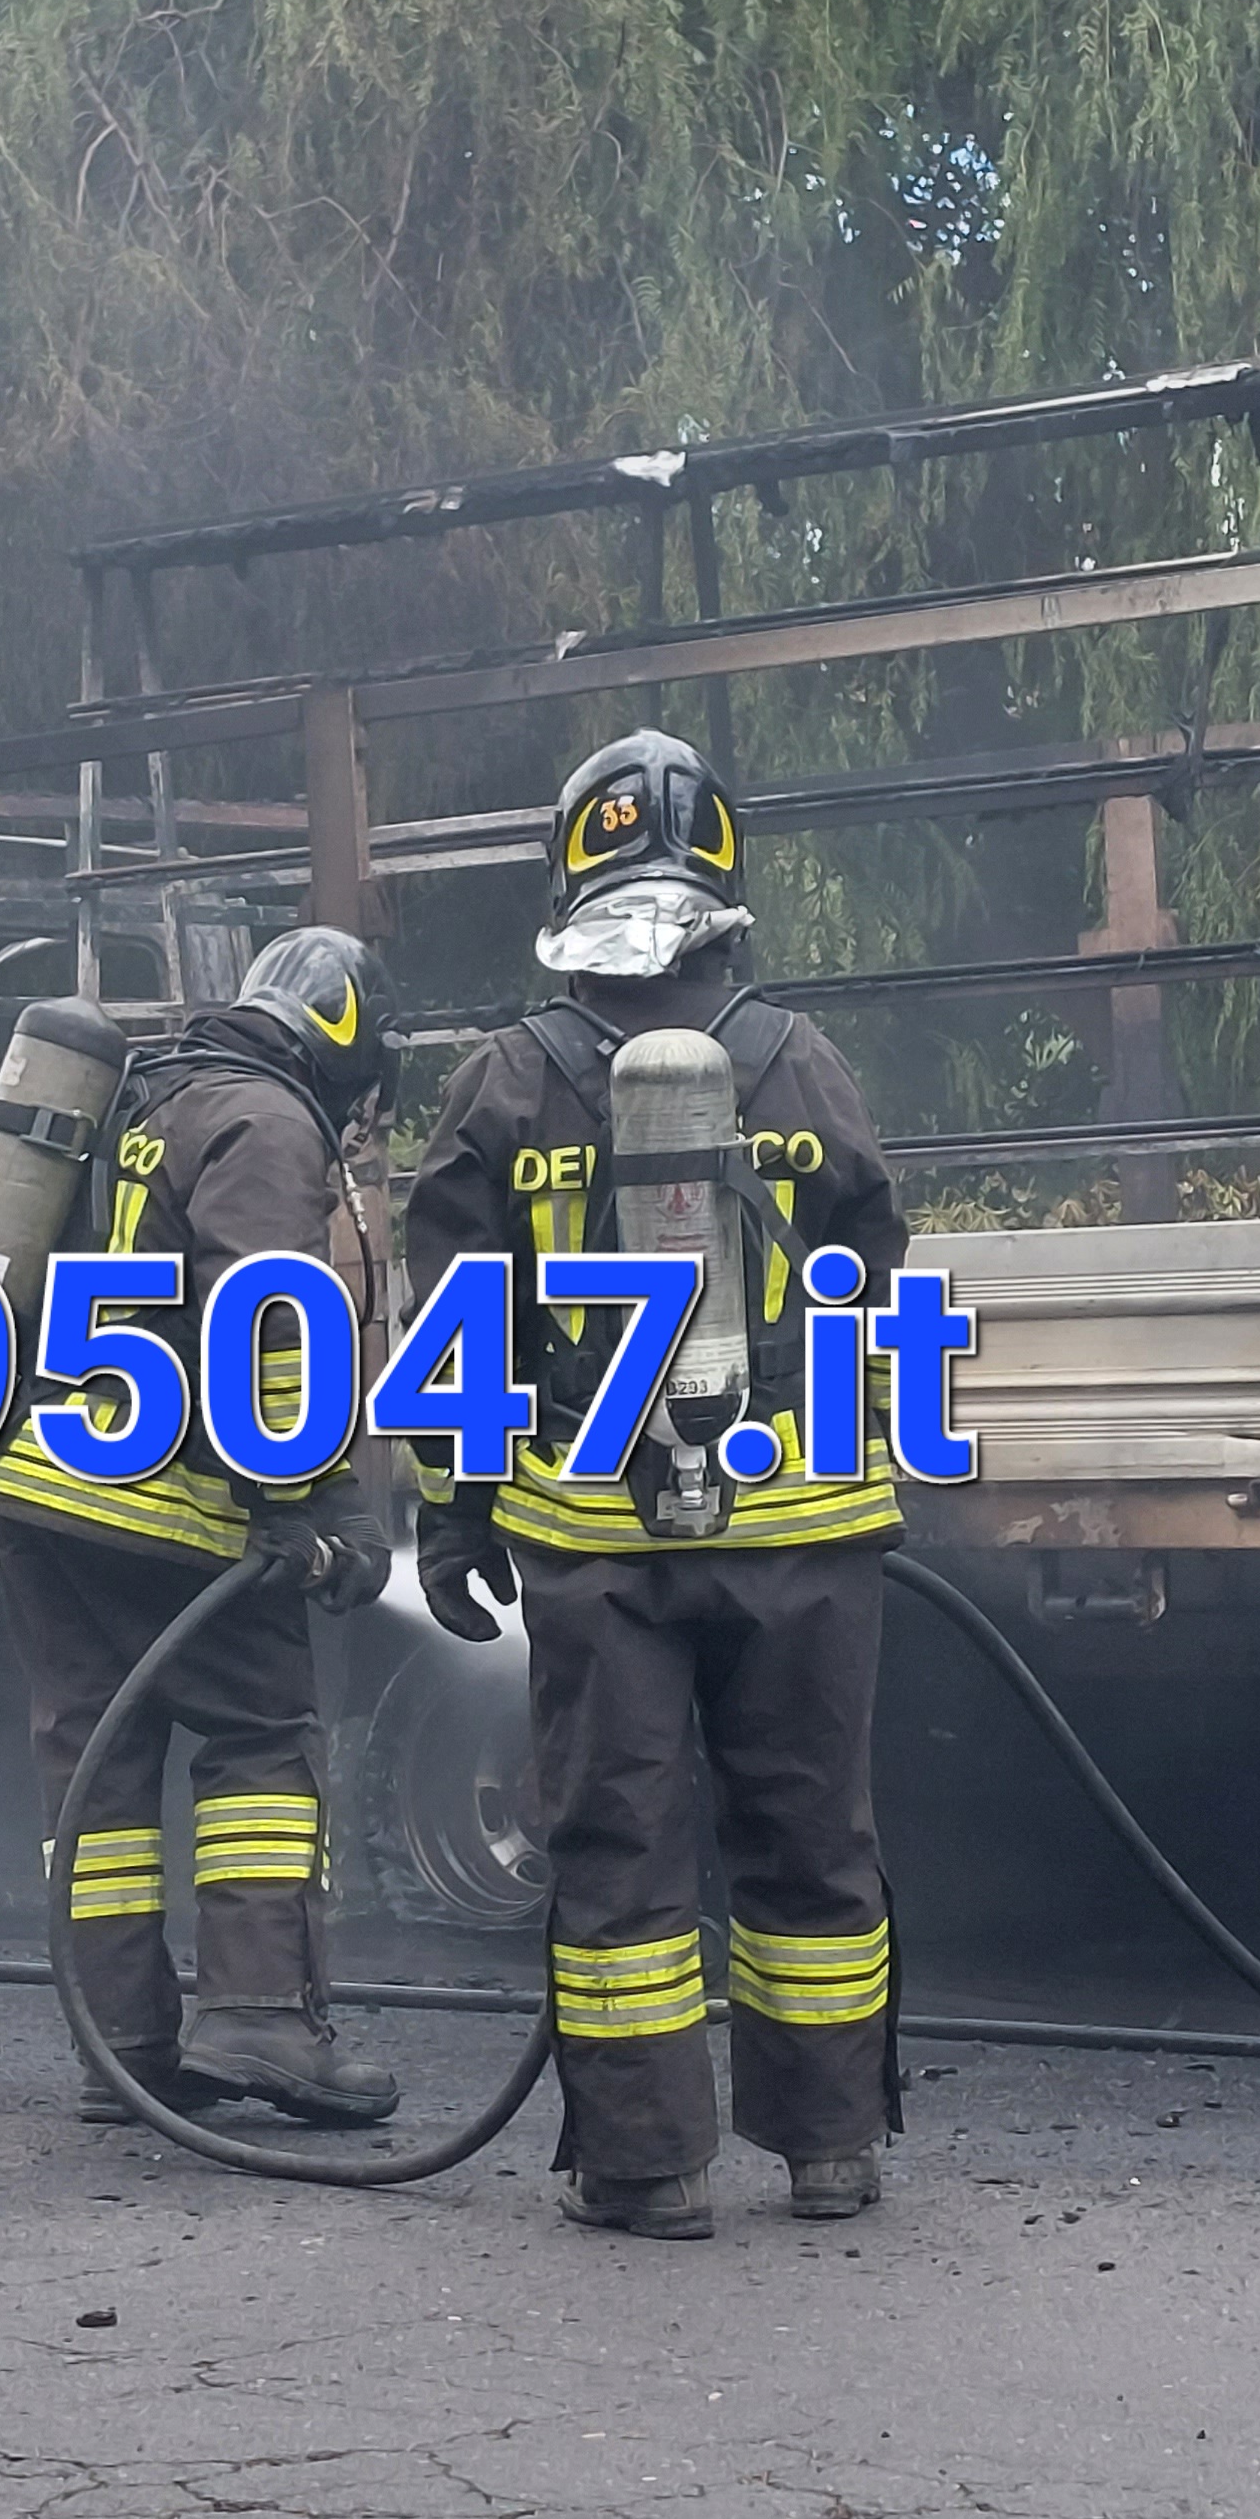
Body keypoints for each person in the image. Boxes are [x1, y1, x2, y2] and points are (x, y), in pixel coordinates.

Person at [399, 730, 909, 2236]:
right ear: (728, 884)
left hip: (596, 1533)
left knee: (620, 1840)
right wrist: (871, 1468)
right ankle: (830, 2151)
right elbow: (876, 1272)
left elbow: (452, 1327)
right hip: (803, 1526)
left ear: (572, 877)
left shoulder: (509, 1077)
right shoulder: (801, 1058)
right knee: (812, 1824)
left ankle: (647, 2169)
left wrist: (451, 1510)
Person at [0, 925, 400, 2125]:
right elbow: (266, 1316)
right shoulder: (265, 1122)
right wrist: (307, 1502)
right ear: (343, 1048)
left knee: (96, 1759)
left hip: (37, 1483)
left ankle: (123, 2050)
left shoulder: (131, 1099)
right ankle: (262, 2022)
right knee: (260, 1737)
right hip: (172, 1502)